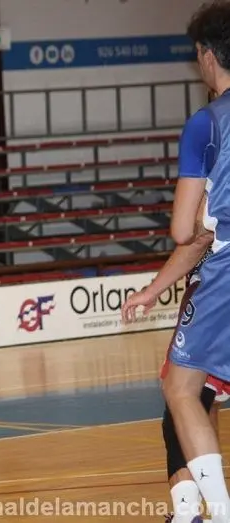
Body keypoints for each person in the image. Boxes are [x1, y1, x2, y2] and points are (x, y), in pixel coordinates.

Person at [160, 2, 230, 521]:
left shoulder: (207, 122)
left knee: (181, 387)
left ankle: (219, 512)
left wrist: (206, 217)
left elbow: (184, 231)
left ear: (207, 56)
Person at [121, 235, 230, 523]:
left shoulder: (212, 209)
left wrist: (153, 289)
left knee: (181, 398)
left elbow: (193, 237)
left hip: (216, 292)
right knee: (205, 401)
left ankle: (190, 512)